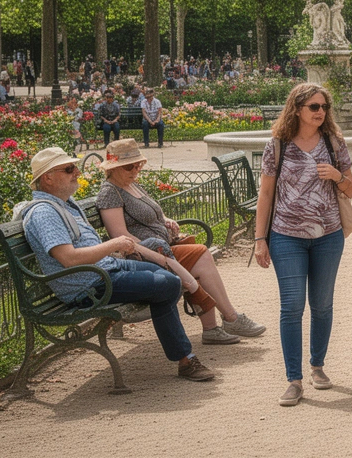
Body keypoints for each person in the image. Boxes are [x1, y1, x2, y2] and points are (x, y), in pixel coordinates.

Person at [14, 146, 214, 381]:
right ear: (47, 178)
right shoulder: (44, 213)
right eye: (69, 169)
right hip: (88, 285)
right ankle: (185, 359)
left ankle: (184, 355)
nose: (77, 172)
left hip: (104, 270)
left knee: (167, 276)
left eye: (75, 167)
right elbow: (68, 259)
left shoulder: (63, 204)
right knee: (167, 284)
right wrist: (114, 244)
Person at [96, 139, 266, 345]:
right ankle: (229, 319)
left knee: (198, 259)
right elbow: (121, 237)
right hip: (145, 257)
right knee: (201, 255)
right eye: (129, 166)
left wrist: (166, 221)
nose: (135, 170)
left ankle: (217, 325)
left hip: (164, 247)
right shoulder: (110, 193)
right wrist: (155, 253)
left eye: (138, 165)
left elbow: (153, 211)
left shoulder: (131, 185)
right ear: (113, 168)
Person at [253, 83, 352, 406]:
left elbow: (351, 188)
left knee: (322, 305)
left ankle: (318, 366)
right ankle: (294, 379)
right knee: (292, 306)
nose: (320, 112)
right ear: (296, 109)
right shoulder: (278, 145)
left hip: (328, 235)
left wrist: (336, 176)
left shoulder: (334, 142)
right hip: (286, 236)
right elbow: (266, 194)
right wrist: (260, 239)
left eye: (323, 106)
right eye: (313, 106)